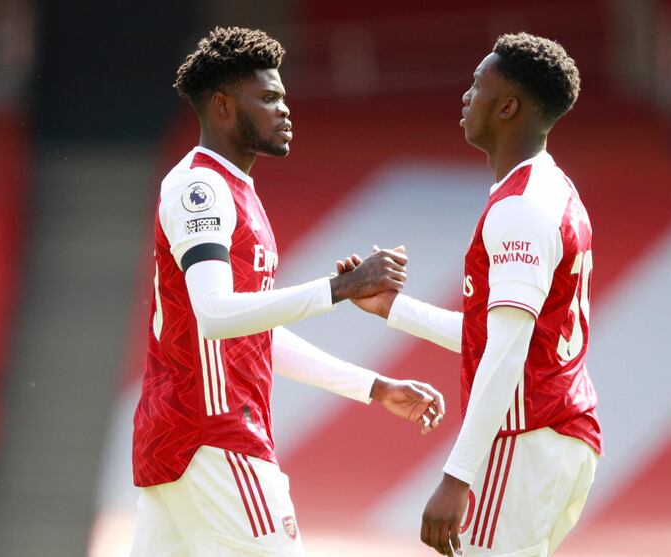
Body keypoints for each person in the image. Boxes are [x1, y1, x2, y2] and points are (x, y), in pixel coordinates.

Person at [130, 27, 444, 557]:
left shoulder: (238, 191)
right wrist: (341, 287)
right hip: (216, 436)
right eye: (270, 97)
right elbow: (214, 314)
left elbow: (253, 336)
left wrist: (373, 386)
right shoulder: (199, 188)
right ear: (225, 105)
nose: (285, 109)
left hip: (181, 442)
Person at [344, 33, 602, 556]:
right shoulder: (551, 191)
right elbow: (501, 337)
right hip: (556, 435)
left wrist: (457, 477)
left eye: (478, 84)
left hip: (525, 437)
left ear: (508, 106)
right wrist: (394, 309)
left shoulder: (520, 208)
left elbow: (505, 355)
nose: (466, 96)